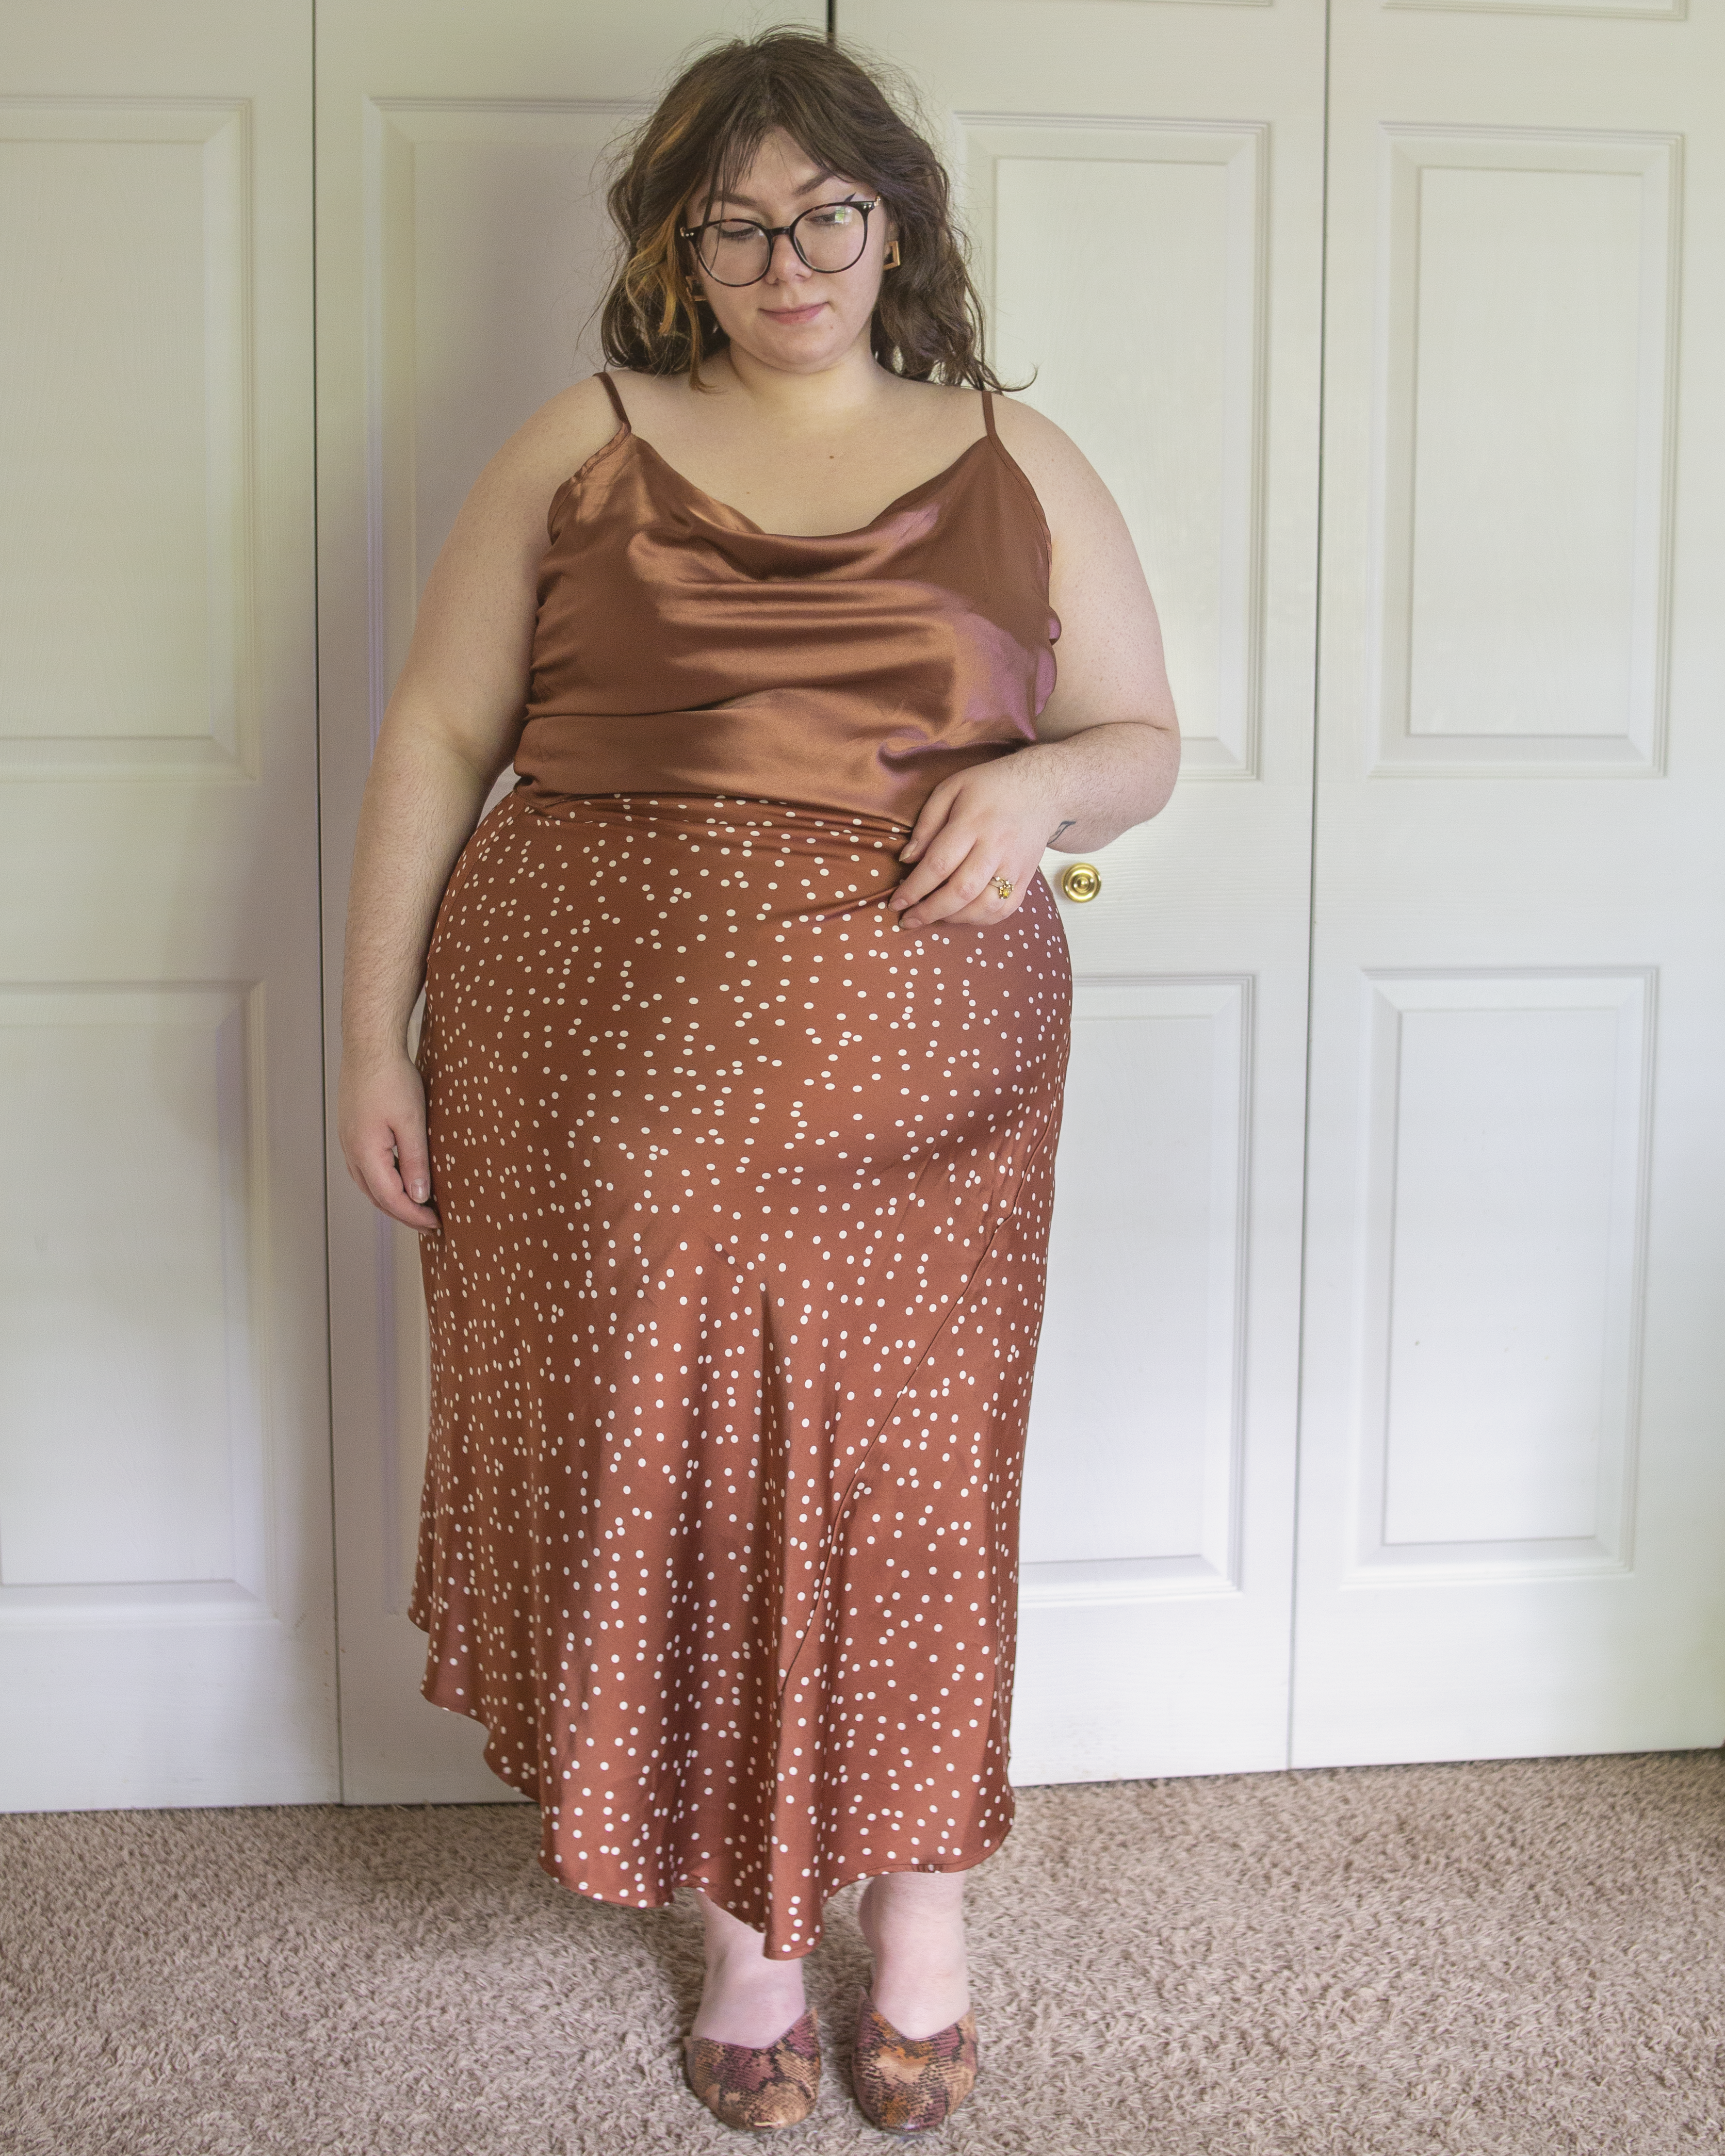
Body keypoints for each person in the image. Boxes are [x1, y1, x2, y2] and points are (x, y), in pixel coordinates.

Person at [337, 25, 1178, 2135]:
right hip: (599, 1067)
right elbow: (439, 738)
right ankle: (739, 1932)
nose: (785, 257)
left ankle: (921, 1928)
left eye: (825, 210)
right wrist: (368, 1032)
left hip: (928, 1083)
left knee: (906, 1488)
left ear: (893, 222)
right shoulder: (579, 441)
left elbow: (1144, 733)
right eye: (736, 222)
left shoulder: (1015, 449)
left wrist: (1051, 773)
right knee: (687, 1482)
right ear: (675, 250)